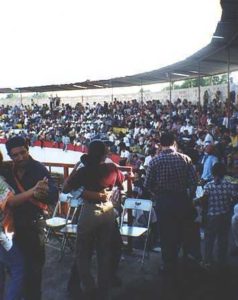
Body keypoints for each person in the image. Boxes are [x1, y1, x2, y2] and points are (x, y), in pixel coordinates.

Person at [63, 140, 124, 300]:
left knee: (82, 253)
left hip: (90, 211)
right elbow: (121, 182)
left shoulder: (84, 170)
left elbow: (66, 188)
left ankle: (89, 288)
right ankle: (103, 289)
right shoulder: (112, 167)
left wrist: (76, 171)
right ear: (104, 154)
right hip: (108, 211)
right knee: (104, 252)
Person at [4, 136, 58, 300]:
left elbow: (53, 195)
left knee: (34, 271)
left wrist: (44, 193)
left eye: (23, 153)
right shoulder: (7, 170)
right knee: (16, 271)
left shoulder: (39, 170)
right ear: (10, 156)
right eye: (15, 155)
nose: (20, 158)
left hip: (33, 227)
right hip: (11, 227)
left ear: (28, 150)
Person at [144, 132, 197, 274]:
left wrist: (157, 195)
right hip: (181, 199)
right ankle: (182, 261)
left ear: (160, 145)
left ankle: (168, 264)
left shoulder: (154, 161)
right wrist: (189, 198)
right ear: (174, 143)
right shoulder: (185, 159)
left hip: (163, 200)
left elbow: (147, 184)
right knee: (181, 231)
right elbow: (193, 183)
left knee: (166, 234)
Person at [199, 163, 237, 268]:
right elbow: (234, 198)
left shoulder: (209, 186)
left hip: (212, 215)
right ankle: (221, 260)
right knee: (223, 238)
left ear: (212, 172)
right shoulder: (228, 185)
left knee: (209, 239)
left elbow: (204, 201)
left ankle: (207, 261)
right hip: (225, 215)